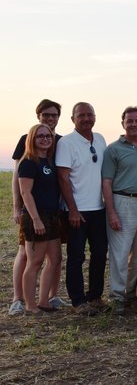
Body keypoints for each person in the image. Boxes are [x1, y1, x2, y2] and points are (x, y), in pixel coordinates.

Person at [9, 99, 69, 315]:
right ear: (39, 116)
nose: (50, 119)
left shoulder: (60, 142)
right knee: (27, 256)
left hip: (54, 212)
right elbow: (20, 182)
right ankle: (20, 299)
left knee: (55, 257)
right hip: (34, 213)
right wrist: (19, 209)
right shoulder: (27, 147)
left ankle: (49, 298)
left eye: (54, 115)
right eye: (46, 115)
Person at [102, 107, 137, 315]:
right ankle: (117, 297)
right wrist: (111, 212)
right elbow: (106, 182)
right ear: (123, 123)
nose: (134, 124)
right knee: (120, 252)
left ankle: (131, 294)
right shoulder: (113, 149)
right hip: (122, 200)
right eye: (130, 121)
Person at [56, 102, 108, 316]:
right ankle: (78, 301)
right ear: (73, 119)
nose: (86, 119)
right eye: (81, 115)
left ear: (95, 117)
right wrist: (73, 210)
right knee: (76, 256)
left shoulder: (101, 139)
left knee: (99, 254)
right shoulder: (67, 143)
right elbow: (63, 178)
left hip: (99, 208)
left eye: (90, 115)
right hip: (77, 211)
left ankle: (94, 296)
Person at [17, 124, 62, 315]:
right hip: (36, 217)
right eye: (40, 136)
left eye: (48, 135)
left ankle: (44, 301)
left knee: (55, 259)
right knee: (34, 262)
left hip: (53, 216)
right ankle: (30, 305)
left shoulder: (50, 161)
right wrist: (35, 219)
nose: (45, 139)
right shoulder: (28, 162)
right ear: (32, 139)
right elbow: (25, 193)